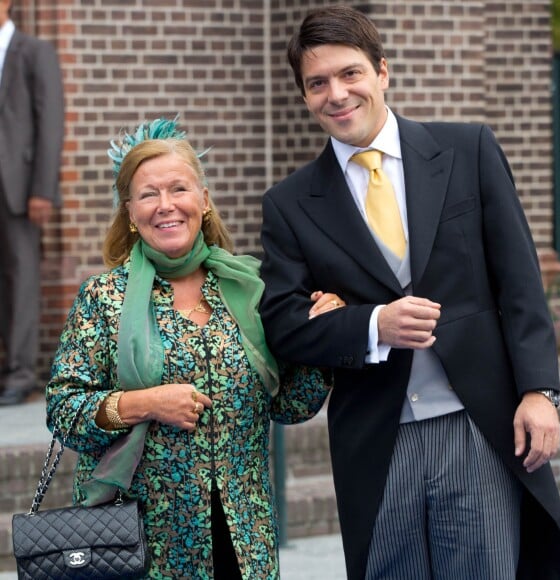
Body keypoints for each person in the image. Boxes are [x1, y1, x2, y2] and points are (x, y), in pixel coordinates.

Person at [259, 6, 560, 580]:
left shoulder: (468, 151)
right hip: (377, 439)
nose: (336, 93)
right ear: (304, 96)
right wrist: (372, 324)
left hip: (478, 426)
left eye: (349, 73)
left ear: (382, 72)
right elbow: (281, 321)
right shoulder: (290, 203)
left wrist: (539, 390)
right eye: (317, 83)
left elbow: (520, 282)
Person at [45, 118, 342, 579]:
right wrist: (145, 403)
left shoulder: (249, 290)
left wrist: (319, 338)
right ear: (129, 212)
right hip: (141, 544)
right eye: (148, 194)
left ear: (203, 200)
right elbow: (64, 412)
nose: (166, 206)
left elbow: (289, 406)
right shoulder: (103, 299)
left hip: (245, 537)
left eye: (178, 189)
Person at [0, 0, 65, 405]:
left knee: (20, 277)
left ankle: (20, 373)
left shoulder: (34, 51)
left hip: (18, 188)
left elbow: (51, 120)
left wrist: (43, 188)